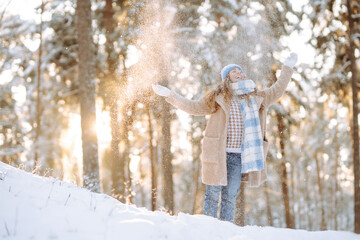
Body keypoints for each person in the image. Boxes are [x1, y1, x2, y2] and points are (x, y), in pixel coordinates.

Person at [152, 53, 298, 223]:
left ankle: (225, 231)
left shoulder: (257, 97)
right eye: (234, 71)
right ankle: (208, 230)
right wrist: (170, 95)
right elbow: (192, 107)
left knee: (229, 197)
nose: (239, 73)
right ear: (227, 78)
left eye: (240, 71)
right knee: (212, 195)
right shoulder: (218, 98)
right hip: (218, 154)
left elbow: (277, 89)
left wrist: (287, 68)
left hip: (238, 157)